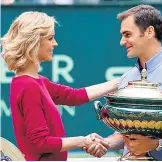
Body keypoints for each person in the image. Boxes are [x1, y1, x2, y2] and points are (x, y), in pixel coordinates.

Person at [85, 4, 162, 161]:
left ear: (149, 31)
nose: (122, 41)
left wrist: (157, 143)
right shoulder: (126, 78)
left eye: (127, 34)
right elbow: (127, 133)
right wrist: (105, 143)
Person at [1, 11, 119, 161]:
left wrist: (120, 82)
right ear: (33, 42)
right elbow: (40, 143)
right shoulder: (28, 86)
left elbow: (75, 96)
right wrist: (83, 140)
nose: (55, 43)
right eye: (50, 38)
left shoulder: (35, 82)